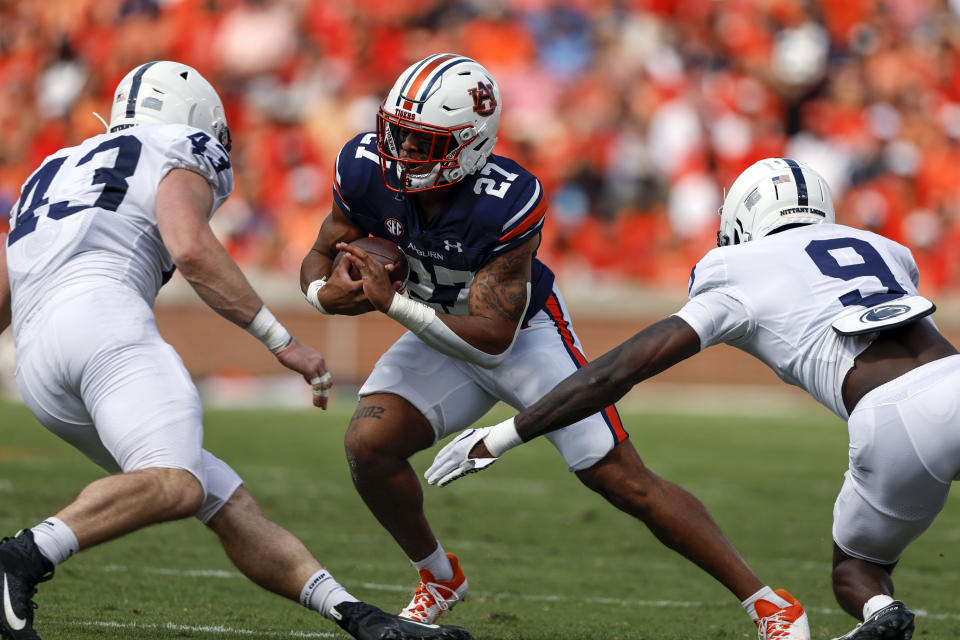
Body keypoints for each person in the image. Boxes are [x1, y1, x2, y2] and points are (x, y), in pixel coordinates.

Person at [300, 53, 808, 640]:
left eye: (422, 143)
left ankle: (769, 602)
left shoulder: (508, 199)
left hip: (521, 337)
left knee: (620, 479)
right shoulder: (364, 167)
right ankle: (437, 576)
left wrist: (393, 305)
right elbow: (319, 252)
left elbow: (492, 340)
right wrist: (321, 294)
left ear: (470, 145)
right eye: (399, 134)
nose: (402, 153)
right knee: (368, 445)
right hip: (434, 327)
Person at [0, 61, 471, 640]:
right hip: (103, 322)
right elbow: (191, 248)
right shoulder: (177, 143)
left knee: (222, 498)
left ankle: (362, 621)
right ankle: (22, 555)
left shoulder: (53, 169)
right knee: (177, 482)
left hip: (38, 362)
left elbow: (6, 293)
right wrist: (284, 341)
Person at [427, 156, 958, 640]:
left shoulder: (735, 269)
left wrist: (502, 435)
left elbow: (618, 371)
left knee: (858, 571)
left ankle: (882, 616)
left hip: (890, 418)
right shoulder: (886, 249)